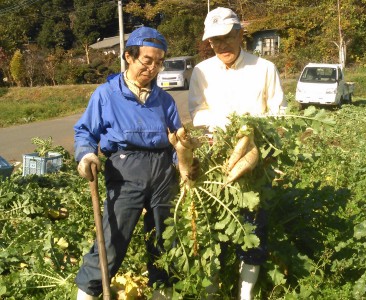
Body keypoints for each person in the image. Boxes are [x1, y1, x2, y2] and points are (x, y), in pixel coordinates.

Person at [74, 26, 183, 300]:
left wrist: (183, 158)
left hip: (163, 172)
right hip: (125, 169)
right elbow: (86, 131)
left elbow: (177, 138)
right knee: (113, 241)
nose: (154, 68)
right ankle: (87, 293)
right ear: (129, 57)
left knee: (164, 240)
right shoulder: (107, 95)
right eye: (147, 60)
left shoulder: (165, 100)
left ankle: (162, 294)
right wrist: (86, 154)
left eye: (159, 62)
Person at [188, 7, 287, 300]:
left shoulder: (264, 69)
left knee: (252, 228)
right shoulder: (201, 71)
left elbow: (280, 113)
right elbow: (196, 114)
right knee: (211, 226)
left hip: (255, 164)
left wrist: (253, 133)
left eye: (226, 38)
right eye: (214, 41)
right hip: (213, 162)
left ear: (240, 34)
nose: (221, 46)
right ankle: (213, 290)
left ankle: (245, 294)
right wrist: (226, 127)